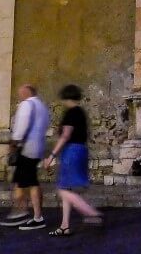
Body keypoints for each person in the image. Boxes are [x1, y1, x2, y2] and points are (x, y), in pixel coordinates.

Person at [43, 84, 102, 237]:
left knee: (62, 189)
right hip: (81, 150)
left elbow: (65, 136)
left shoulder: (71, 112)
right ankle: (64, 226)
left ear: (67, 97)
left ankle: (90, 212)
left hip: (72, 152)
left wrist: (51, 156)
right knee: (67, 188)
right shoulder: (81, 112)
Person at [0, 83, 50, 230]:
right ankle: (24, 213)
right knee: (26, 181)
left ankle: (25, 214)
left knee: (27, 182)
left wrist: (13, 143)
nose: (19, 95)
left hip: (26, 149)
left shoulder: (27, 105)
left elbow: (21, 128)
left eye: (21, 93)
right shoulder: (42, 106)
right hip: (37, 148)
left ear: (27, 92)